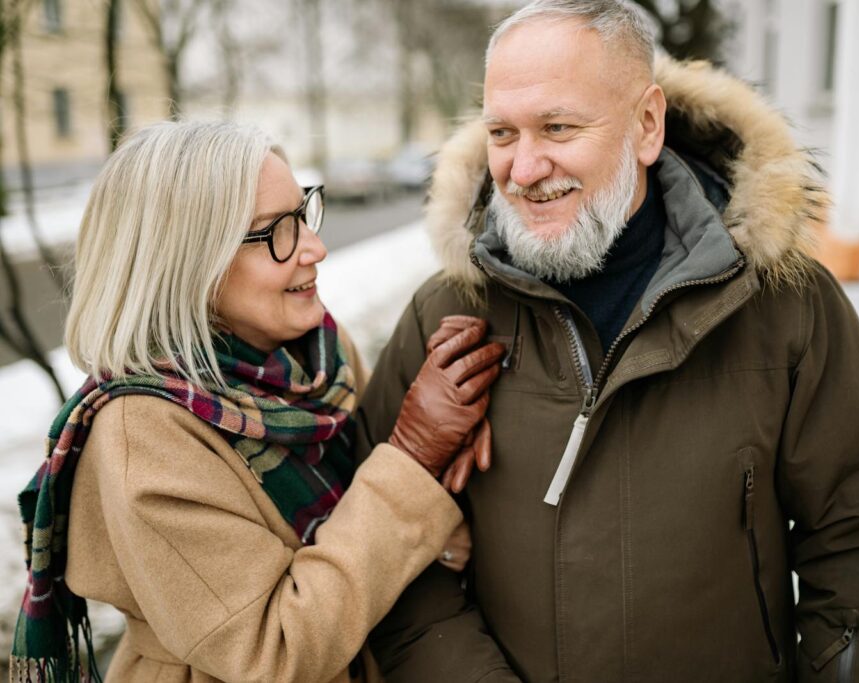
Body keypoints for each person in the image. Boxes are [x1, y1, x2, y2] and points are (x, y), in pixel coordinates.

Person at [355, 1, 859, 681]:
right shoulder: (445, 316)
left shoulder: (786, 308)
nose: (525, 167)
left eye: (558, 126)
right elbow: (393, 564)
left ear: (646, 125)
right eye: (502, 132)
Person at [10, 120, 504, 682]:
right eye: (275, 232)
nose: (315, 247)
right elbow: (274, 652)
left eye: (304, 213)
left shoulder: (317, 356)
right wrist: (414, 457)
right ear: (189, 266)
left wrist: (448, 451)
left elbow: (375, 491)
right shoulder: (143, 433)